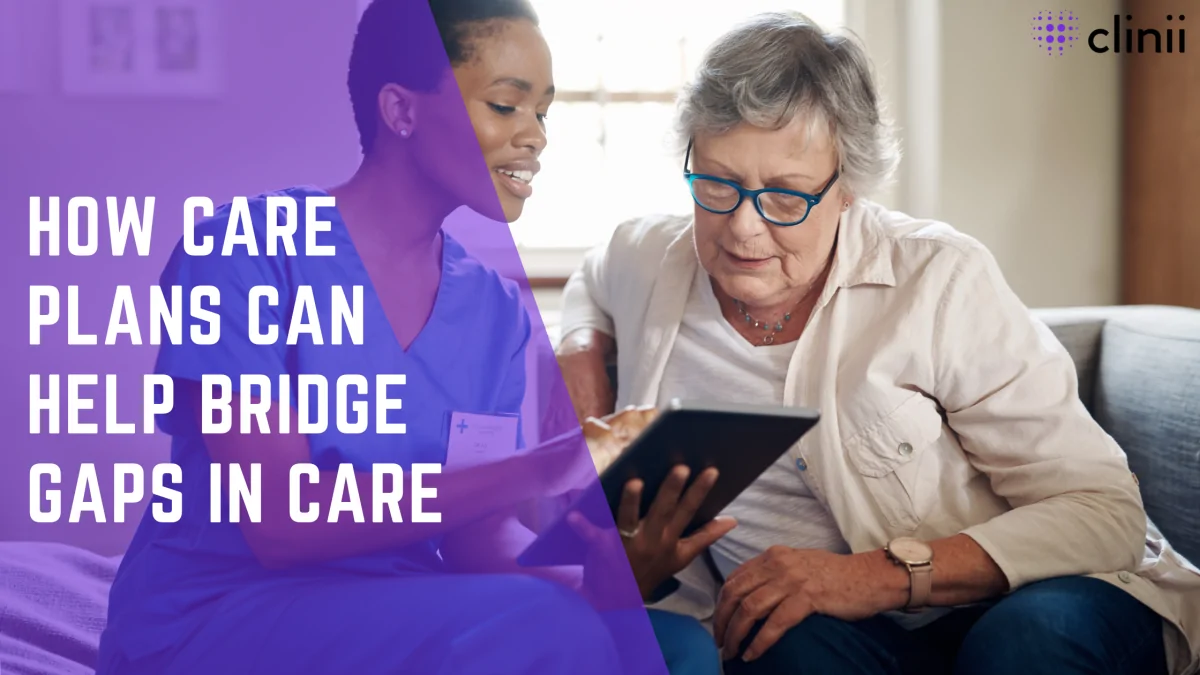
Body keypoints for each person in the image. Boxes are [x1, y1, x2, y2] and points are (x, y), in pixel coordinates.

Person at [556, 10, 1200, 675]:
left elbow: (1105, 513)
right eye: (717, 183)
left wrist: (871, 575)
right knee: (769, 645)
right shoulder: (650, 257)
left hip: (1035, 596)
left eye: (785, 196)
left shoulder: (936, 278)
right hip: (854, 635)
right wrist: (579, 348)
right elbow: (594, 276)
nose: (743, 228)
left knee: (1022, 644)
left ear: (849, 188)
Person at [96, 1, 720, 674]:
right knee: (550, 628)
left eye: (543, 112)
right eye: (506, 105)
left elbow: (480, 542)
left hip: (397, 607)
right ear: (401, 110)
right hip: (216, 612)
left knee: (666, 643)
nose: (535, 136)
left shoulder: (493, 309)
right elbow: (279, 519)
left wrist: (598, 577)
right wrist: (544, 465)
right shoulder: (244, 252)